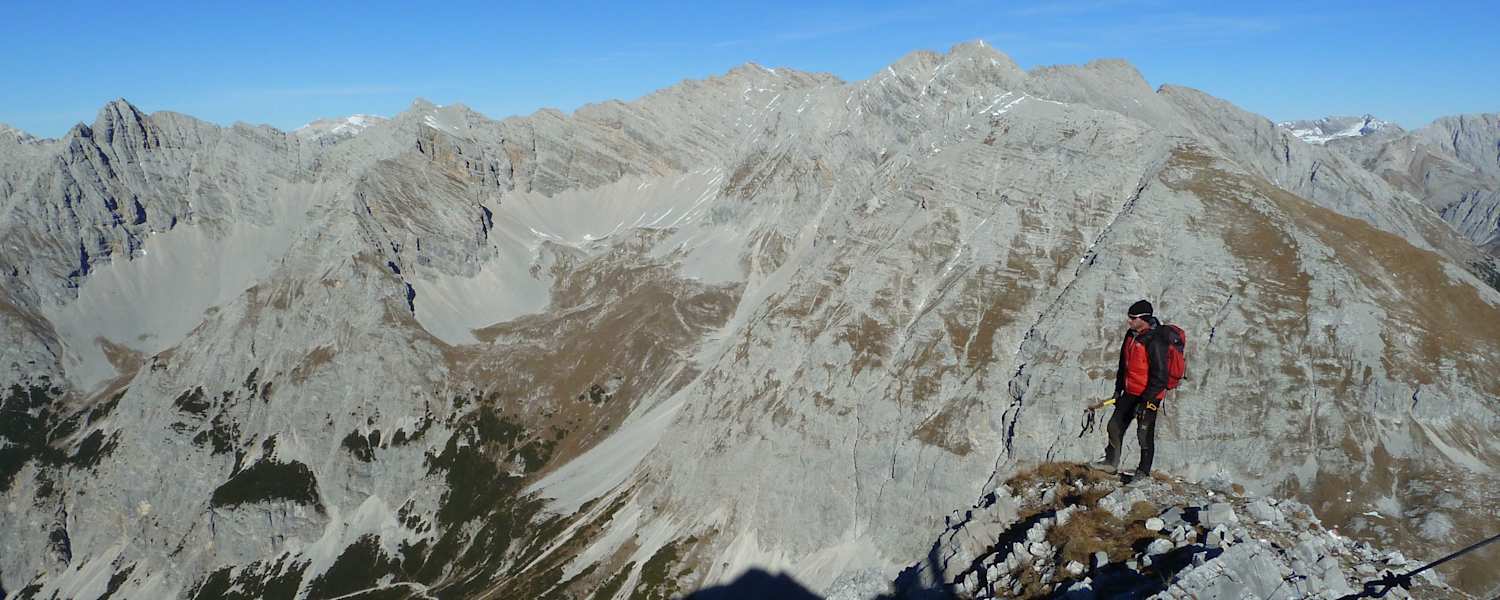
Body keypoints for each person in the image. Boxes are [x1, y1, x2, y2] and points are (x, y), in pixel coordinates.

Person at [1092, 299, 1171, 482]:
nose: (1128, 321)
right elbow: (1123, 365)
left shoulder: (1155, 340)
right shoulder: (1131, 335)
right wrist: (1119, 389)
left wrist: (1147, 400)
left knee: (1144, 433)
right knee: (1114, 425)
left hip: (1149, 395)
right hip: (1129, 391)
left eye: (1132, 317)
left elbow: (1161, 376)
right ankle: (1111, 463)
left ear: (1143, 318)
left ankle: (1143, 473)